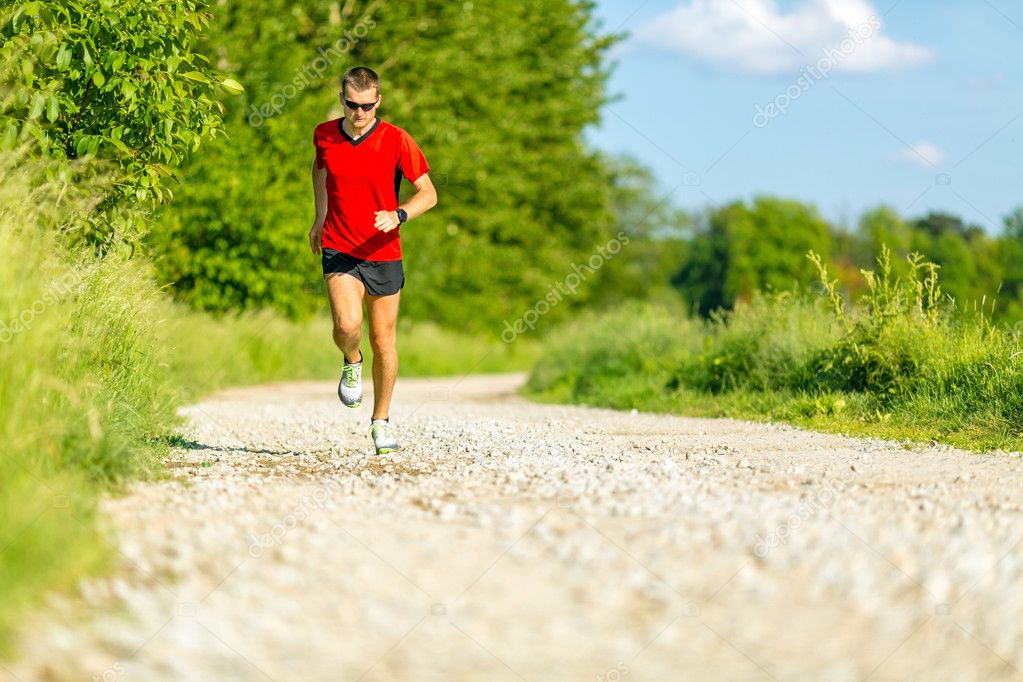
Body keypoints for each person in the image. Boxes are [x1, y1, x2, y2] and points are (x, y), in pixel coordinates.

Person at [309, 66, 437, 455]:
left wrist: (398, 215)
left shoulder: (397, 139)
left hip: (383, 252)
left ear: (378, 101)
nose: (359, 113)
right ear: (342, 99)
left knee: (384, 340)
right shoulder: (325, 135)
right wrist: (319, 216)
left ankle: (380, 422)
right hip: (339, 245)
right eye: (352, 105)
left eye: (367, 105)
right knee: (347, 324)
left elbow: (428, 194)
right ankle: (351, 359)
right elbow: (319, 170)